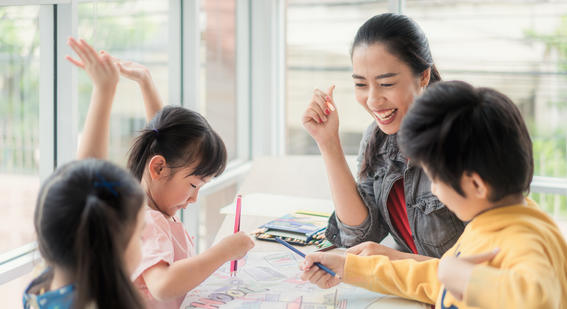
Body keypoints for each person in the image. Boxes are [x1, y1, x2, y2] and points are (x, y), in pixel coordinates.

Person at [301, 81, 567, 308]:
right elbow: (434, 277)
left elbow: (537, 298)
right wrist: (349, 268)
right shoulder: (489, 223)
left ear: (475, 184)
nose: (436, 192)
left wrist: (465, 277)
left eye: (435, 180)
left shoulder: (526, 240)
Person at [66, 37, 255, 309]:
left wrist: (145, 81)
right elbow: (163, 285)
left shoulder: (152, 201)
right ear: (157, 168)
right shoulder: (149, 220)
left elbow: (163, 138)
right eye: (193, 184)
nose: (193, 199)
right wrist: (223, 251)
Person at [302, 13, 464, 260]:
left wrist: (393, 259)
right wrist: (328, 143)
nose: (373, 100)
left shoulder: (463, 138)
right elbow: (358, 237)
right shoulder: (378, 139)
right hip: (414, 292)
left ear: (423, 76)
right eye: (361, 84)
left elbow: (482, 267)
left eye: (386, 83)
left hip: (463, 296)